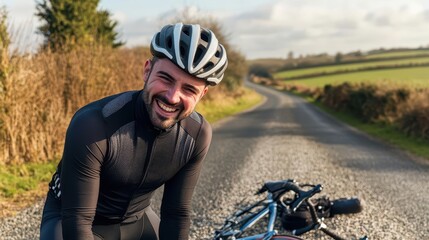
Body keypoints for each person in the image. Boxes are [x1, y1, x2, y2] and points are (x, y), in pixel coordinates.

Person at [39, 22, 228, 240]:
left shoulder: (197, 135)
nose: (172, 97)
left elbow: (176, 214)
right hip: (72, 222)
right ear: (147, 70)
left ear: (202, 94)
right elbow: (78, 221)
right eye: (166, 78)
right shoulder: (93, 125)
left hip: (138, 221)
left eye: (189, 89)